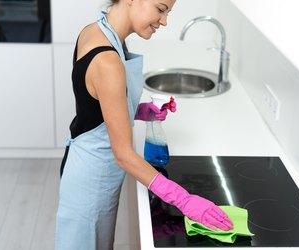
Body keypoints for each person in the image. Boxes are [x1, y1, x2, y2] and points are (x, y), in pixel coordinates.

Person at [55, 0, 233, 249]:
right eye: (161, 9)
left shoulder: (96, 31)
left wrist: (140, 110)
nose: (164, 21)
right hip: (91, 183)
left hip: (85, 164)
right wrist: (184, 200)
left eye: (168, 12)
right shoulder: (107, 60)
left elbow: (95, 107)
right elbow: (124, 155)